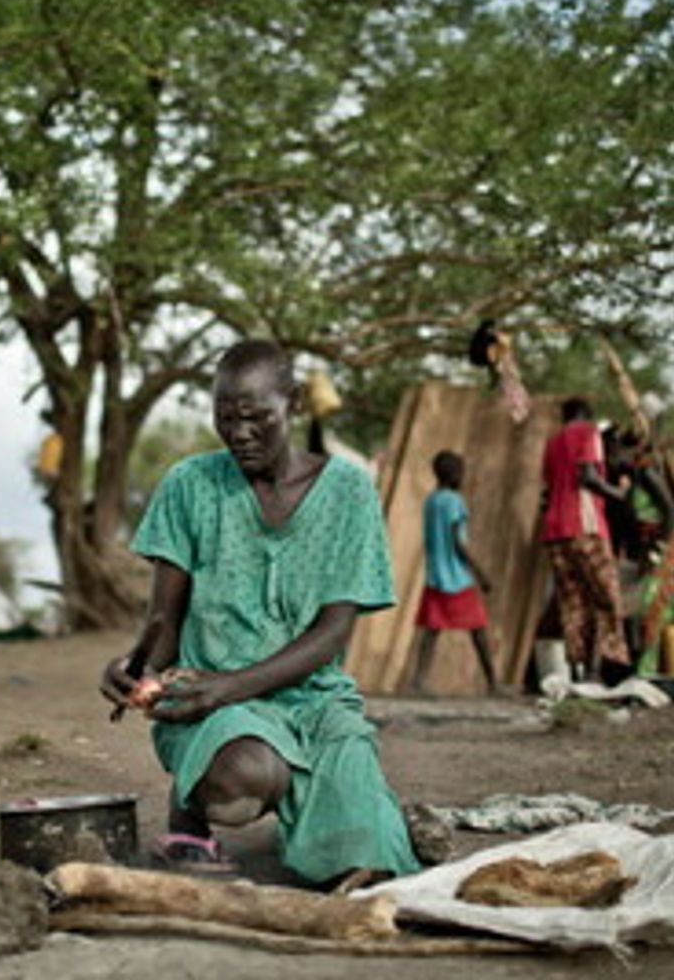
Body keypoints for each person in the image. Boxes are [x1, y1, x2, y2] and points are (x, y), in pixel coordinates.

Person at [100, 340, 420, 886]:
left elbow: (331, 633)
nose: (240, 433)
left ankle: (345, 811)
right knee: (245, 779)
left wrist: (228, 684)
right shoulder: (190, 485)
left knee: (371, 863)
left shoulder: (348, 492)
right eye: (226, 419)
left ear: (293, 404)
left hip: (312, 700)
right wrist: (134, 667)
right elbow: (164, 621)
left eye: (257, 418)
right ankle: (193, 812)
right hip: (212, 707)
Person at [539, 397, 629, 682]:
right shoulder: (588, 433)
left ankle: (578, 671)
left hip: (555, 531)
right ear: (587, 415)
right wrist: (618, 494)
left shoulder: (551, 443)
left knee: (573, 601)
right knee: (607, 597)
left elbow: (549, 488)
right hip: (584, 526)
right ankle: (608, 665)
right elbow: (588, 476)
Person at [407, 450, 497, 694]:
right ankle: (493, 683)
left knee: (432, 631)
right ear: (455, 474)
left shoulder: (431, 501)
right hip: (457, 578)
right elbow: (458, 543)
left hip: (435, 576)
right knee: (478, 629)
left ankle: (418, 680)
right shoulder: (455, 502)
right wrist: (481, 573)